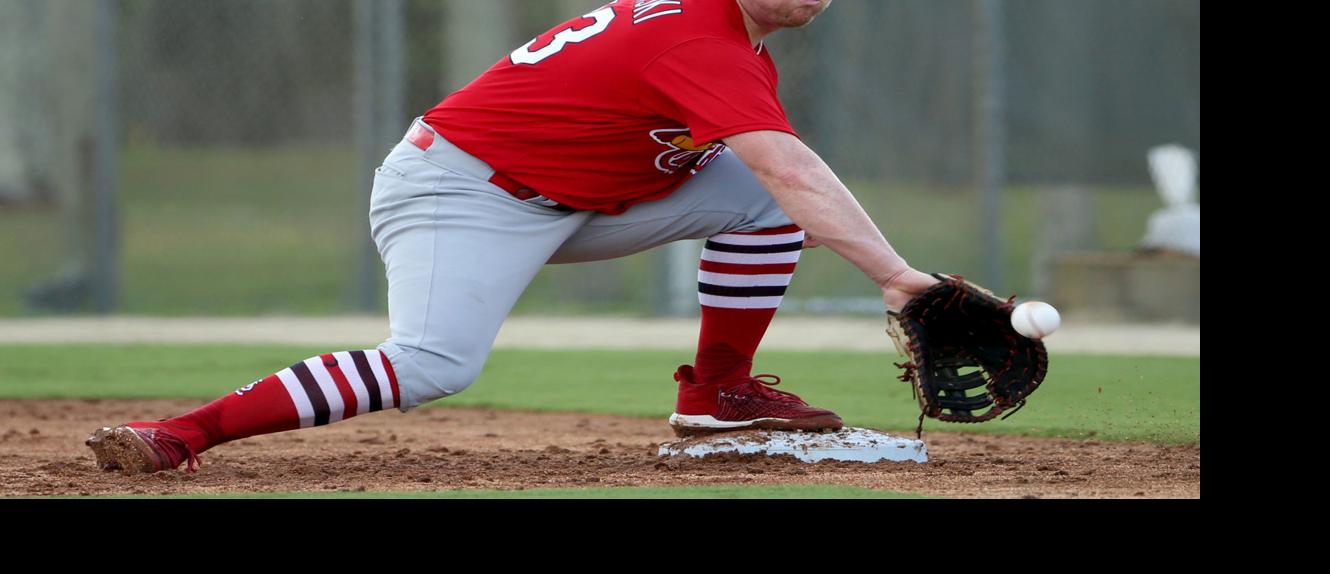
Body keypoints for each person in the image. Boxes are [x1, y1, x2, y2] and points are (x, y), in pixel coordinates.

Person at [86, 0, 939, 474]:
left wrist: (890, 266)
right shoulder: (700, 37)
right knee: (432, 363)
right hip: (461, 191)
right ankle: (181, 434)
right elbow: (790, 168)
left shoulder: (733, 41)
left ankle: (719, 393)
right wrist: (899, 279)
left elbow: (786, 182)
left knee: (766, 202)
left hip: (574, 197)